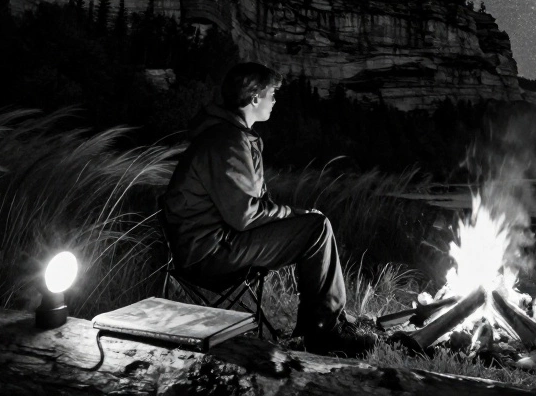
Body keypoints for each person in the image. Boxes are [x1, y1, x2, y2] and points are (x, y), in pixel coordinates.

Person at [159, 62, 376, 357]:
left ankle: (324, 324)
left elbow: (243, 209)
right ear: (254, 98)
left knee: (314, 224)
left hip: (211, 243)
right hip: (210, 253)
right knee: (317, 228)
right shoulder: (227, 141)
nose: (274, 101)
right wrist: (296, 215)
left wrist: (293, 216)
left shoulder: (229, 135)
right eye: (272, 94)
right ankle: (324, 333)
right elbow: (245, 215)